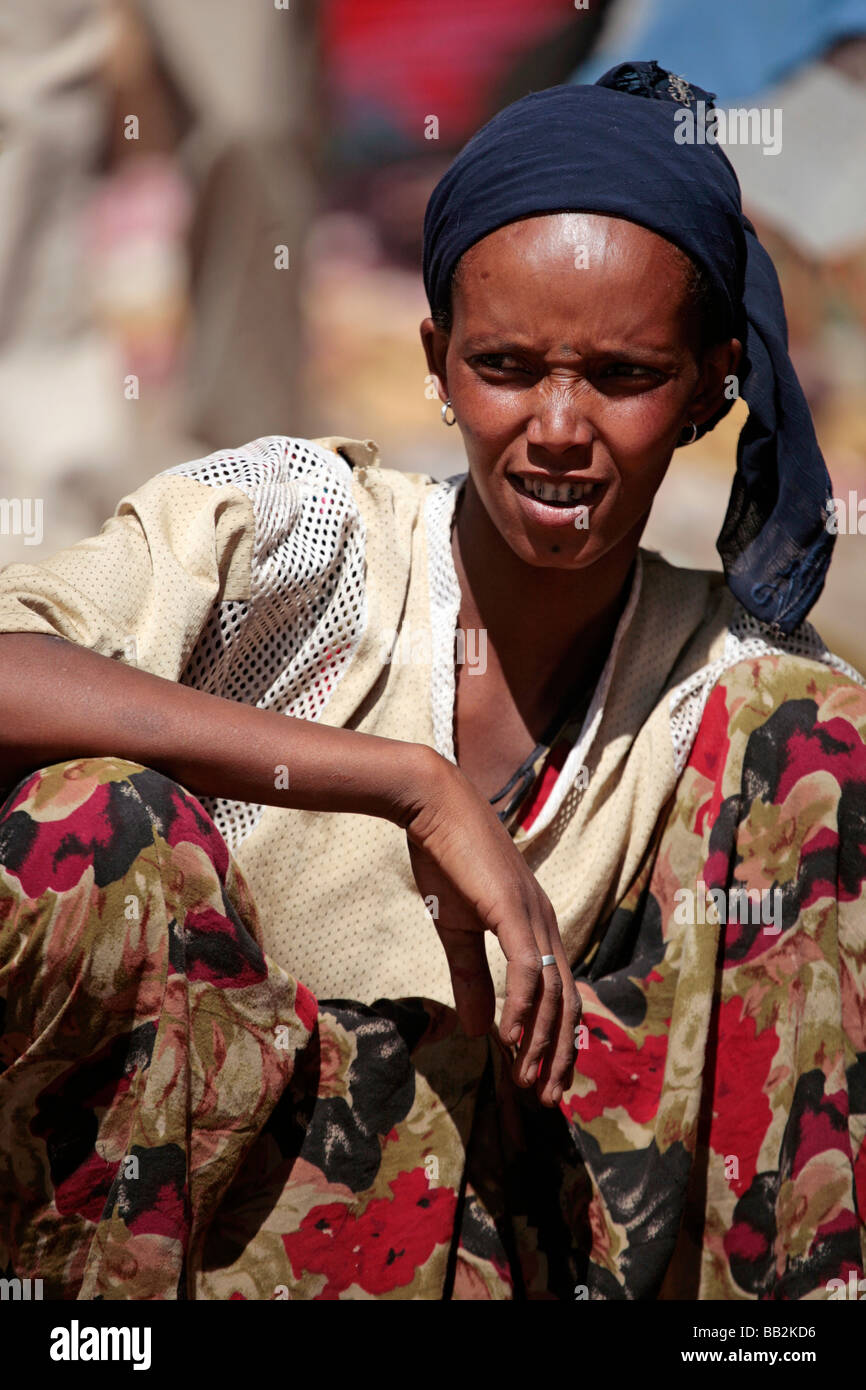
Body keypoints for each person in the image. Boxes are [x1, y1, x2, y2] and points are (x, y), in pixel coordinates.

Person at [0, 60, 864, 1301]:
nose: (557, 426)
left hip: (519, 1250)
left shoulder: (736, 700)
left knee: (822, 760)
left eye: (622, 378)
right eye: (507, 365)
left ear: (706, 389)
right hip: (197, 1234)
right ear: (437, 359)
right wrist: (408, 785)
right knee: (91, 827)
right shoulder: (300, 544)